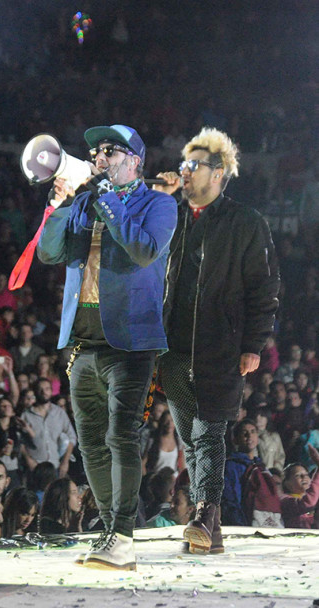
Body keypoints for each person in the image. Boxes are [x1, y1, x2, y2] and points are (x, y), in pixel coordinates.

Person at [36, 124, 177, 570]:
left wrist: (106, 200)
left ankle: (122, 534)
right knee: (91, 443)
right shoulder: (85, 201)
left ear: (135, 161)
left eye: (111, 150)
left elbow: (143, 249)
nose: (100, 156)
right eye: (96, 150)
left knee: (121, 436)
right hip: (83, 340)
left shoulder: (159, 204)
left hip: (132, 343)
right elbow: (49, 253)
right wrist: (58, 205)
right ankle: (112, 527)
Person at [155, 128, 280, 554]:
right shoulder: (168, 214)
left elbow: (264, 289)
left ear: (219, 172)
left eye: (194, 166)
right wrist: (156, 199)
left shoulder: (246, 222)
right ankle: (213, 531)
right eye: (184, 164)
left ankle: (205, 514)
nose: (185, 172)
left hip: (220, 347)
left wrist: (253, 344)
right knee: (191, 437)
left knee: (209, 433)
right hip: (171, 347)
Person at [280, 444, 319, 528]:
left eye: (306, 474)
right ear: (287, 483)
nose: (304, 477)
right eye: (298, 475)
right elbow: (308, 502)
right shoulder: (285, 500)